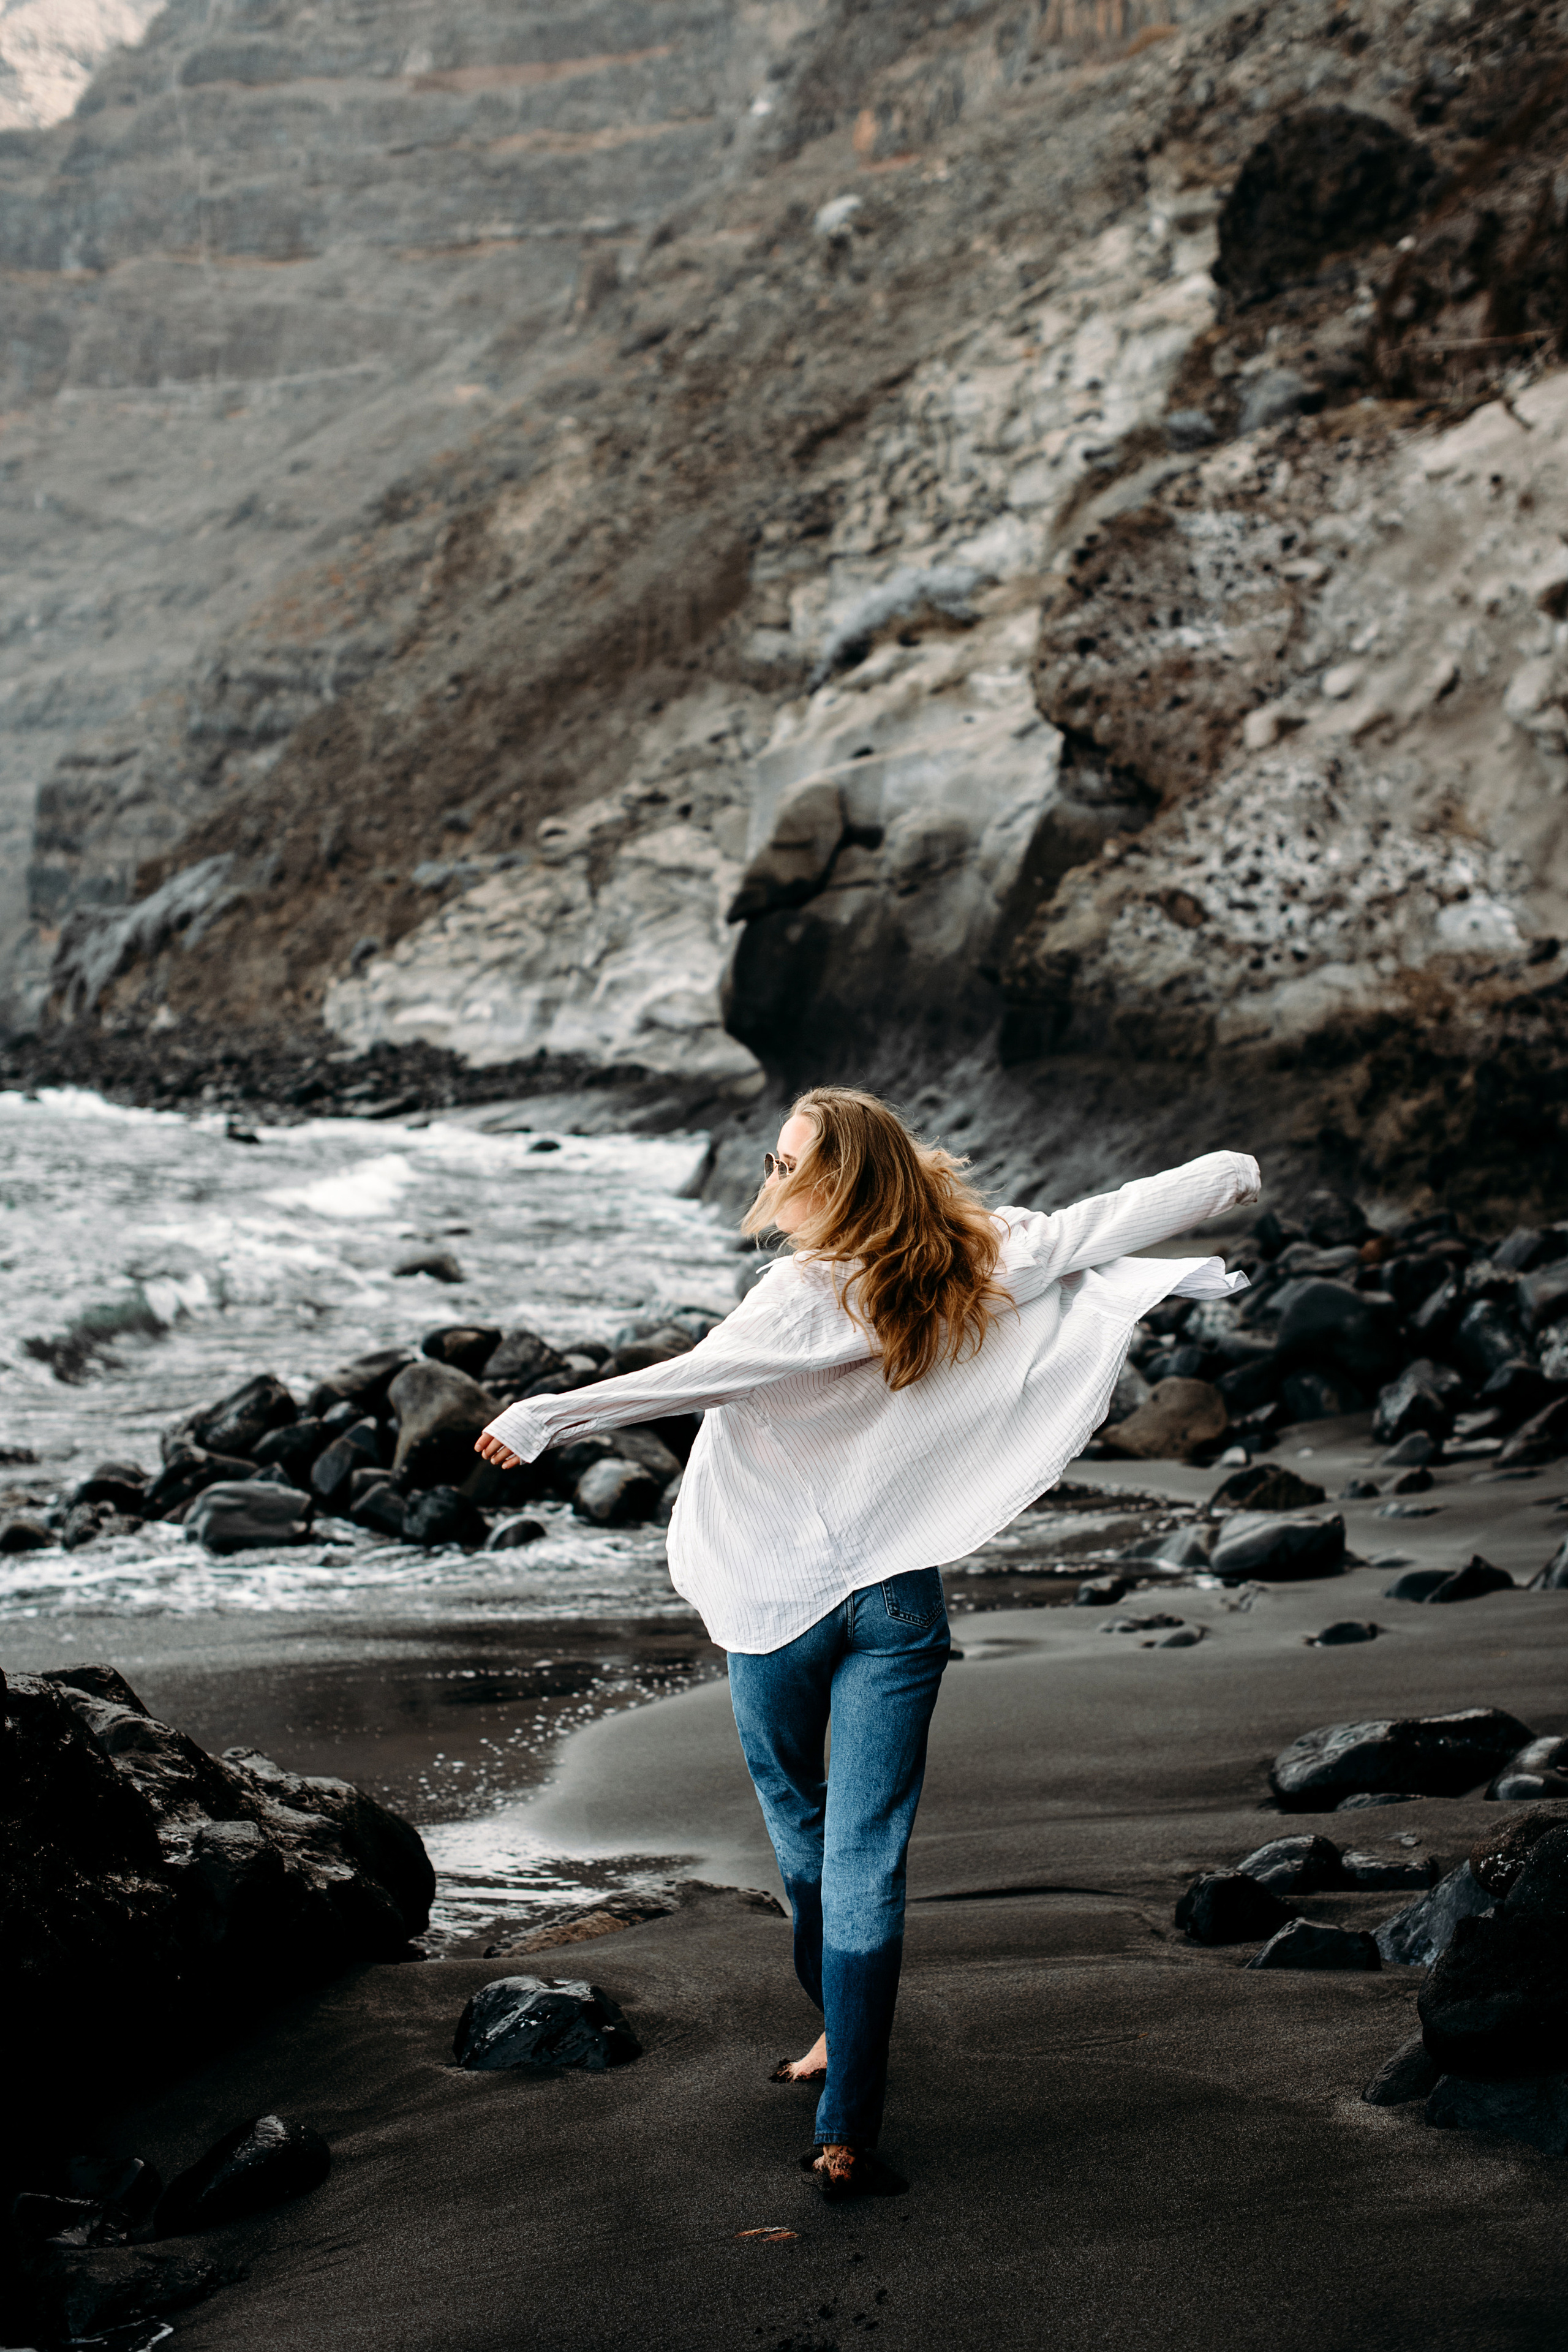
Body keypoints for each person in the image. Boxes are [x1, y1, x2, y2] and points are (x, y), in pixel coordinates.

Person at [476, 1087, 1261, 2199]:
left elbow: (694, 1381)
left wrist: (548, 1414)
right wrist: (1229, 1173)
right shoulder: (973, 1259)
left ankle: (838, 2044)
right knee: (867, 1857)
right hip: (897, 1604)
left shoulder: (794, 1296)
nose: (774, 1173)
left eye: (792, 1160)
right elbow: (1114, 1215)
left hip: (780, 1603)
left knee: (804, 1829)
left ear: (842, 1183)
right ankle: (847, 2123)